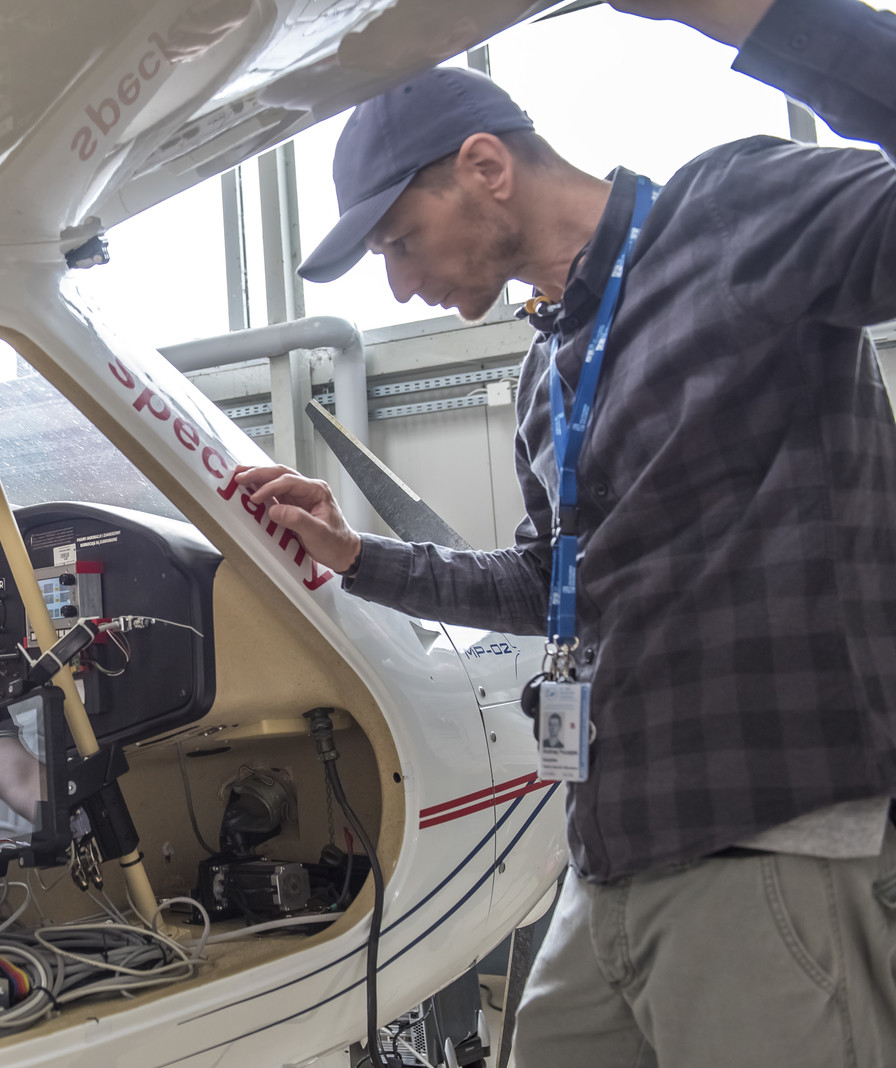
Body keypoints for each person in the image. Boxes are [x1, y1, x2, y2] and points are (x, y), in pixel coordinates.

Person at [238, 1, 896, 1063]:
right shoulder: (549, 367)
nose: (399, 282)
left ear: (485, 167)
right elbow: (547, 582)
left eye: (400, 240)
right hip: (613, 854)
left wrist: (756, 18)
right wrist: (358, 557)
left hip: (765, 836)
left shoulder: (729, 219)